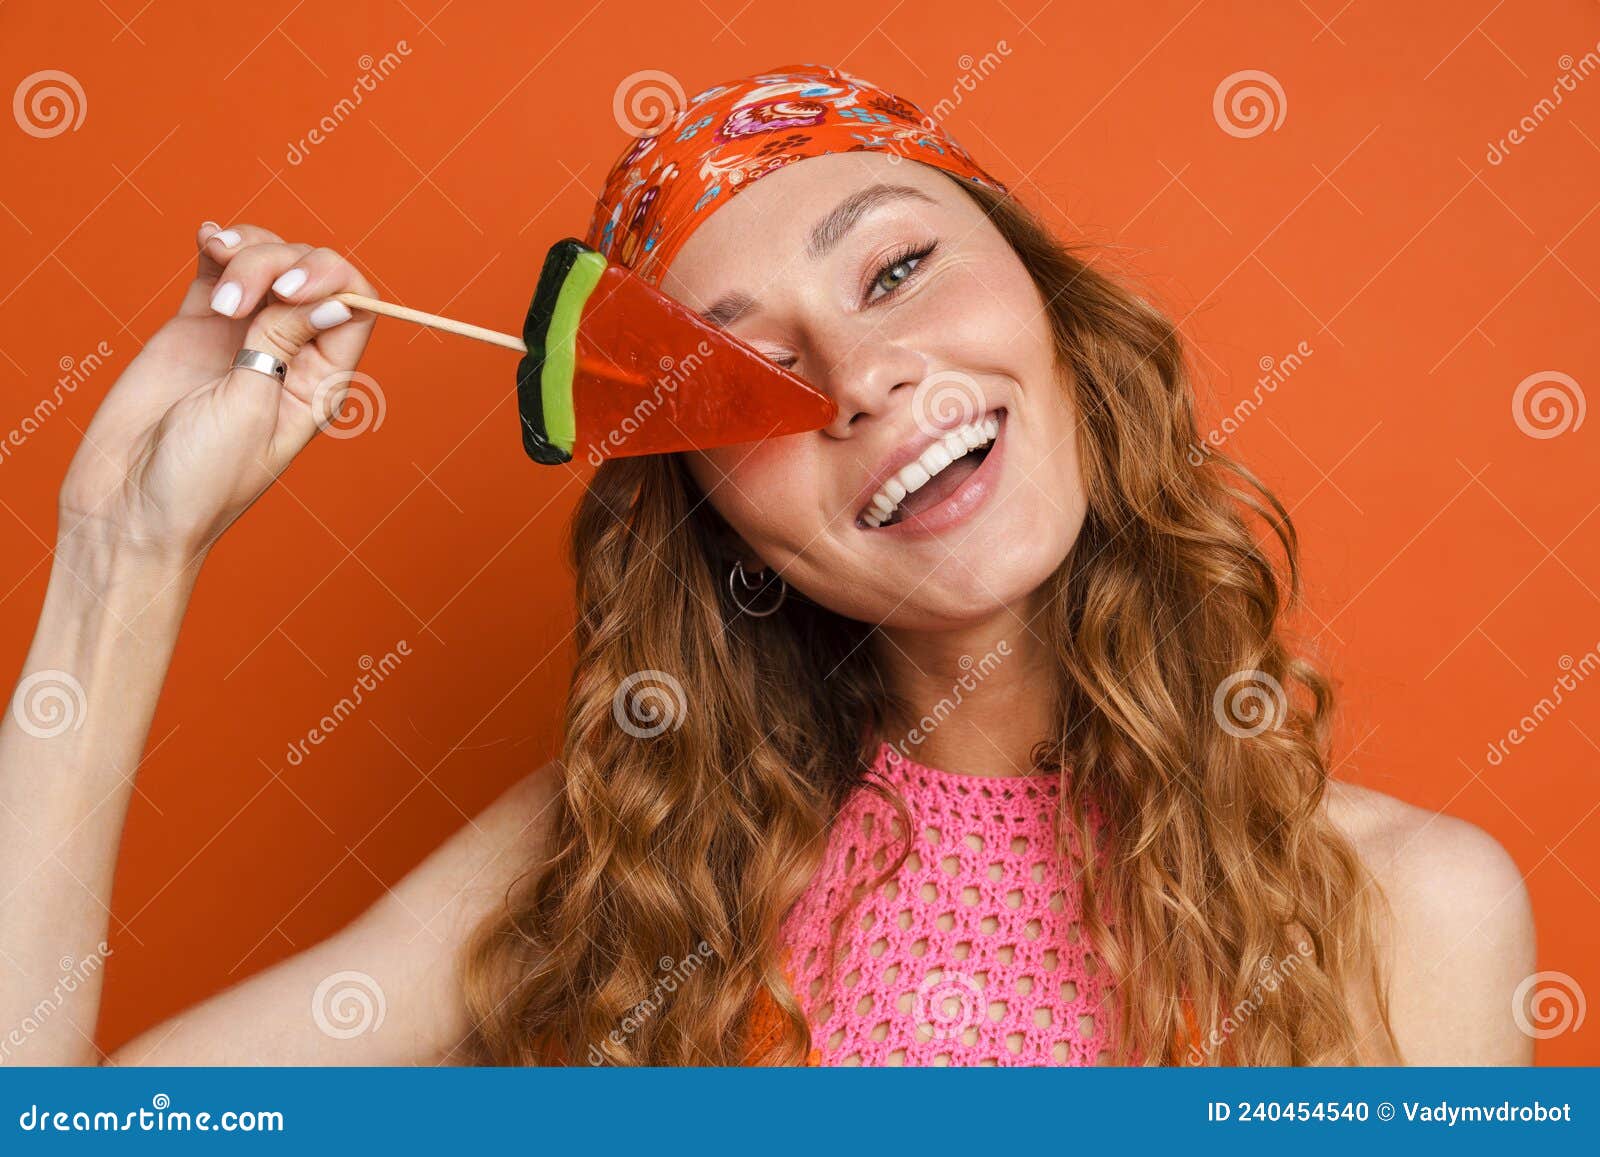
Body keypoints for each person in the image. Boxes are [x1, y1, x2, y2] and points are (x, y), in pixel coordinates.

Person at [0, 63, 1534, 1067]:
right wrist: (118, 557)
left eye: (901, 267)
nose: (860, 377)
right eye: (749, 375)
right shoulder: (608, 876)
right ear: (709, 516)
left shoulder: (1416, 912)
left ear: (1060, 315)